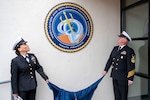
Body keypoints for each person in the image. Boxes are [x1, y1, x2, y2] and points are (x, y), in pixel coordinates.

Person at [102, 31, 136, 100]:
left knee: (123, 95)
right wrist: (106, 70)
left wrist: (130, 78)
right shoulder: (115, 48)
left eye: (121, 38)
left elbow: (131, 65)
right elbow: (110, 59)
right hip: (115, 74)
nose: (119, 39)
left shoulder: (129, 51)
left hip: (123, 77)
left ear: (125, 40)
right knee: (116, 94)